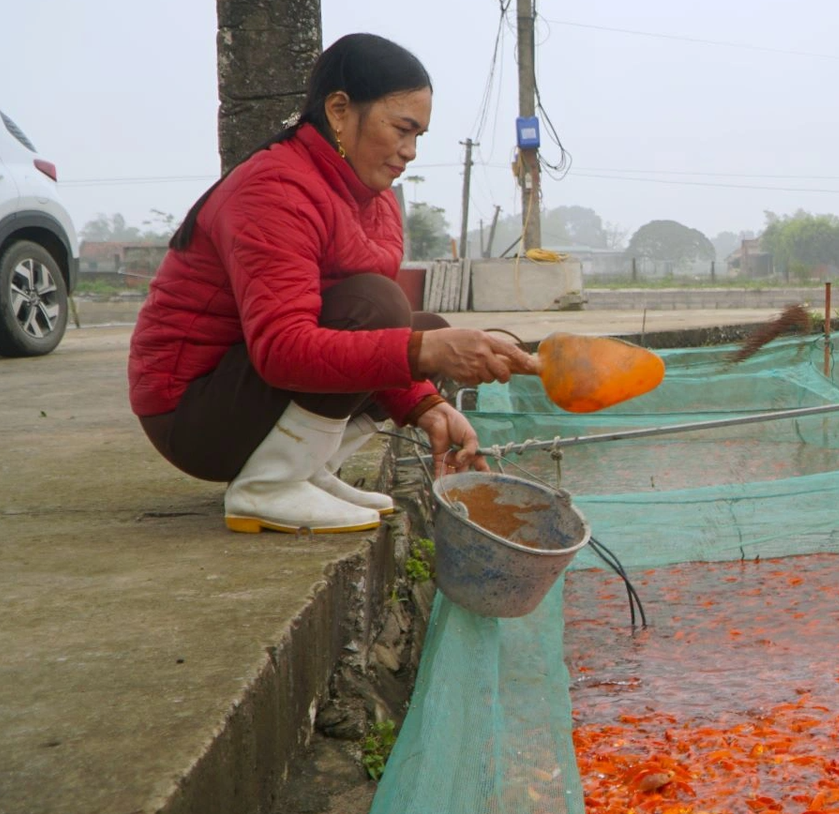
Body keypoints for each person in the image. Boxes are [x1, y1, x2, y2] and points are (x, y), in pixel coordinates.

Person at [128, 33, 539, 534]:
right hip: (192, 416)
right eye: (401, 130)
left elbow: (361, 332)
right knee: (387, 311)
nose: (409, 152)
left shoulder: (373, 195)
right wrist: (424, 354)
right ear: (340, 110)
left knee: (420, 323)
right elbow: (282, 349)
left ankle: (305, 470)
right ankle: (268, 485)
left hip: (244, 396)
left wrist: (424, 404)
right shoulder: (276, 188)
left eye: (419, 137)